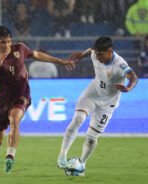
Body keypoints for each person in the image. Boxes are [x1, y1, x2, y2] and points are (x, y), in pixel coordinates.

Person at [0, 26, 75, 173]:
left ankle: (10, 156)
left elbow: (37, 54)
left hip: (21, 95)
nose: (6, 45)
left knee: (15, 119)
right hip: (1, 99)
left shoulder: (20, 48)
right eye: (2, 42)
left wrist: (60, 61)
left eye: (8, 42)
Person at [57, 36, 138, 176]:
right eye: (97, 53)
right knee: (77, 120)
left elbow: (133, 77)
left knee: (91, 137)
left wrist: (128, 88)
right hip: (92, 94)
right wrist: (81, 55)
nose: (98, 57)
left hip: (108, 104)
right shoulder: (95, 53)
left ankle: (81, 164)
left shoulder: (120, 64)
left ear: (110, 51)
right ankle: (62, 157)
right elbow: (91, 50)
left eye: (101, 54)